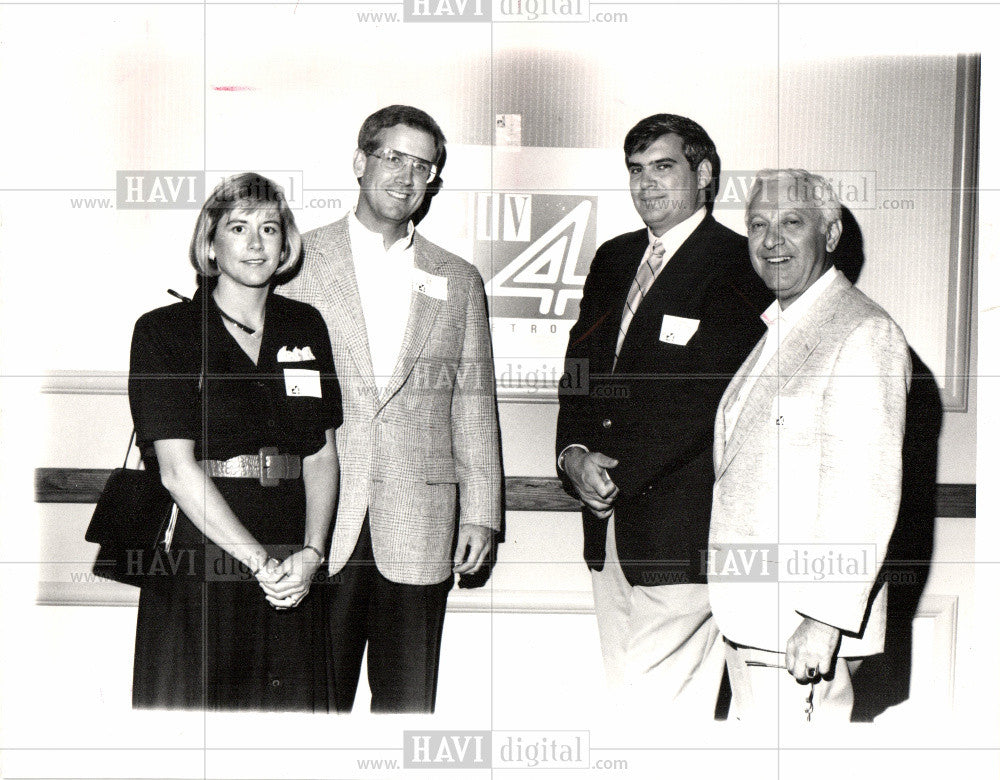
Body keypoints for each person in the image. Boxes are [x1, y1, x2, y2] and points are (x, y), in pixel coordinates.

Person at [279, 105, 501, 713]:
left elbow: (473, 401)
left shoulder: (458, 279)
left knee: (407, 713)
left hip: (422, 524)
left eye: (422, 166)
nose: (407, 177)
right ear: (360, 161)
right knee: (311, 707)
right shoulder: (294, 263)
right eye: (393, 158)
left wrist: (481, 513)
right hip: (318, 523)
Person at [555, 113, 771, 716]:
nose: (646, 184)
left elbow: (708, 398)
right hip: (608, 531)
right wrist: (572, 454)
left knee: (659, 713)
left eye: (664, 167)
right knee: (626, 702)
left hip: (683, 532)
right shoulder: (614, 257)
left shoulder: (739, 263)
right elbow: (580, 367)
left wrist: (616, 471)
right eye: (636, 170)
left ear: (704, 174)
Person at [128, 172, 342, 711]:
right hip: (207, 553)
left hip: (293, 558)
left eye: (269, 228)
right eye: (238, 227)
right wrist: (257, 563)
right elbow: (177, 470)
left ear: (285, 244)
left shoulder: (306, 325)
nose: (254, 243)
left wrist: (312, 554)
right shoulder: (164, 332)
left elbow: (321, 454)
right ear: (210, 243)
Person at [708, 169, 911, 723]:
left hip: (801, 629)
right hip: (755, 619)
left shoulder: (862, 332)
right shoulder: (784, 327)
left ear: (831, 234)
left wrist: (823, 620)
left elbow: (863, 491)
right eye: (757, 225)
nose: (770, 241)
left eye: (791, 223)